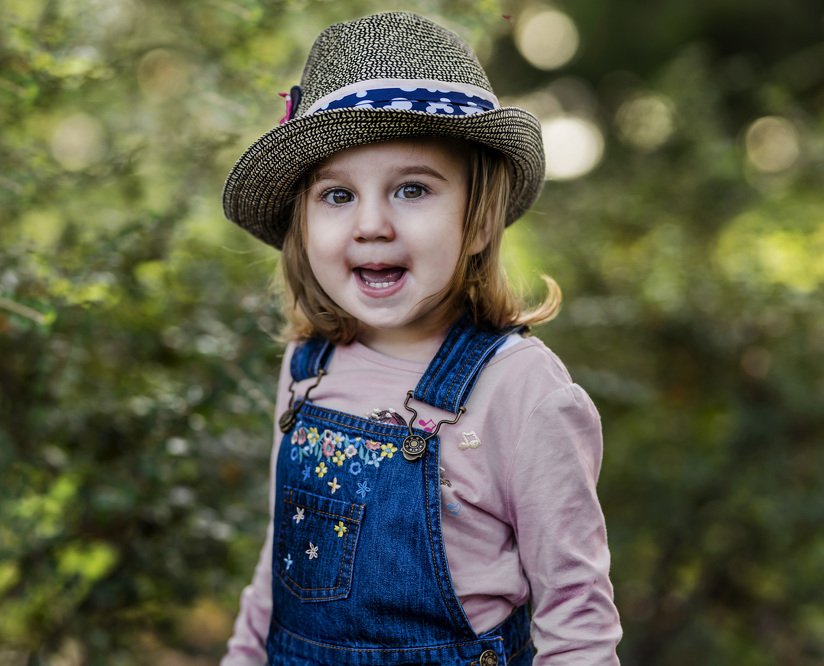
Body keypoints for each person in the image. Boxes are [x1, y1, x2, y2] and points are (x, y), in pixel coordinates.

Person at [220, 11, 621, 665]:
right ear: (302, 221)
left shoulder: (518, 389)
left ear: (479, 219)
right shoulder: (309, 367)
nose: (372, 224)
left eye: (412, 189)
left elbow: (578, 621)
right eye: (337, 196)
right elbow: (279, 565)